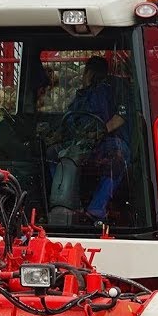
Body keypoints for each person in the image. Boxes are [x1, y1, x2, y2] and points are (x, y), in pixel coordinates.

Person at [63, 56, 130, 222]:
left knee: (118, 153)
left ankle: (96, 208)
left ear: (90, 73)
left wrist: (100, 132)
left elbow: (121, 116)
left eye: (86, 72)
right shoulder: (81, 95)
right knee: (52, 153)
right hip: (80, 144)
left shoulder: (114, 89)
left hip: (105, 142)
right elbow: (70, 119)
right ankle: (67, 204)